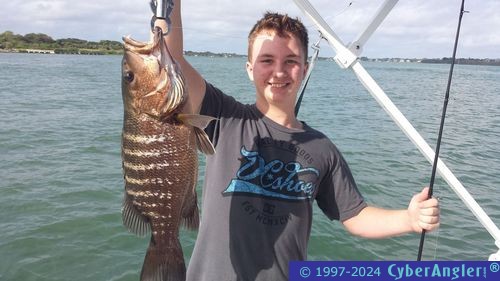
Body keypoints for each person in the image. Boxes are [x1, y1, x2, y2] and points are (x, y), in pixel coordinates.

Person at [156, 1, 440, 280]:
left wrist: (409, 219)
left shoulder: (322, 149)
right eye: (267, 60)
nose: (279, 72)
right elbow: (171, 60)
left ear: (304, 69)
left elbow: (355, 215)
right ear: (249, 68)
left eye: (290, 61)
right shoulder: (224, 117)